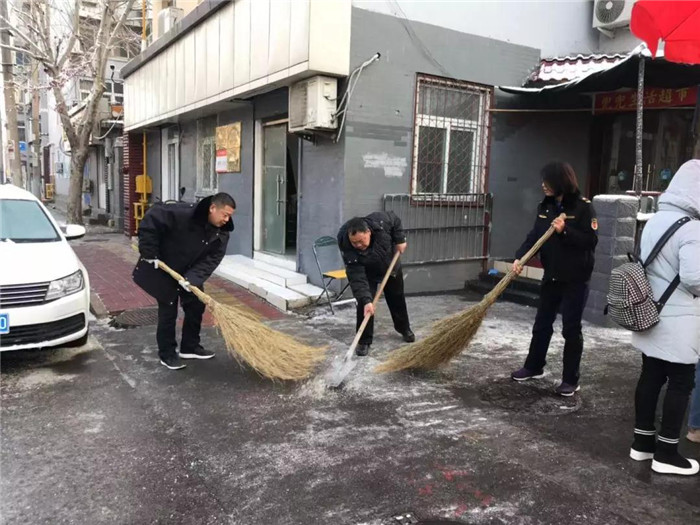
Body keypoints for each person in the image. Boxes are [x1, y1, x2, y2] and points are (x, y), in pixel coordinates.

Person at [628, 159, 700, 476]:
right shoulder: (692, 229)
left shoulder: (656, 220)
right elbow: (695, 277)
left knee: (651, 376)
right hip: (681, 322)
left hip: (649, 313)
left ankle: (642, 444)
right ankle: (668, 452)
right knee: (681, 383)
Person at [510, 162, 598, 397]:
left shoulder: (582, 208)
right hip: (552, 276)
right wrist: (519, 258)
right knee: (542, 324)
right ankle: (534, 366)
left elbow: (590, 241)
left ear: (561, 182)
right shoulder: (545, 206)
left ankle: (571, 379)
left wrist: (565, 231)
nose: (543, 185)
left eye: (547, 181)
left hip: (575, 279)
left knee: (571, 329)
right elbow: (534, 236)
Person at [133, 193, 236, 370]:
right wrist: (150, 253)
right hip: (165, 268)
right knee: (168, 310)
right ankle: (167, 354)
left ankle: (190, 347)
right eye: (224, 215)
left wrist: (192, 279)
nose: (227, 219)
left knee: (196, 305)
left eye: (229, 216)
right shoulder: (182, 213)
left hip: (189, 272)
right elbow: (151, 219)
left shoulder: (222, 233)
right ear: (212, 208)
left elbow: (212, 259)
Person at [337, 211, 414, 356]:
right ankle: (364, 340)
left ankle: (404, 329)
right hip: (367, 272)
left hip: (390, 265)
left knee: (397, 298)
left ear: (368, 232)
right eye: (355, 242)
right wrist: (366, 300)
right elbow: (356, 275)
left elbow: (395, 219)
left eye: (361, 241)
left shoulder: (381, 222)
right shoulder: (345, 243)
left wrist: (400, 239)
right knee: (365, 305)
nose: (358, 245)